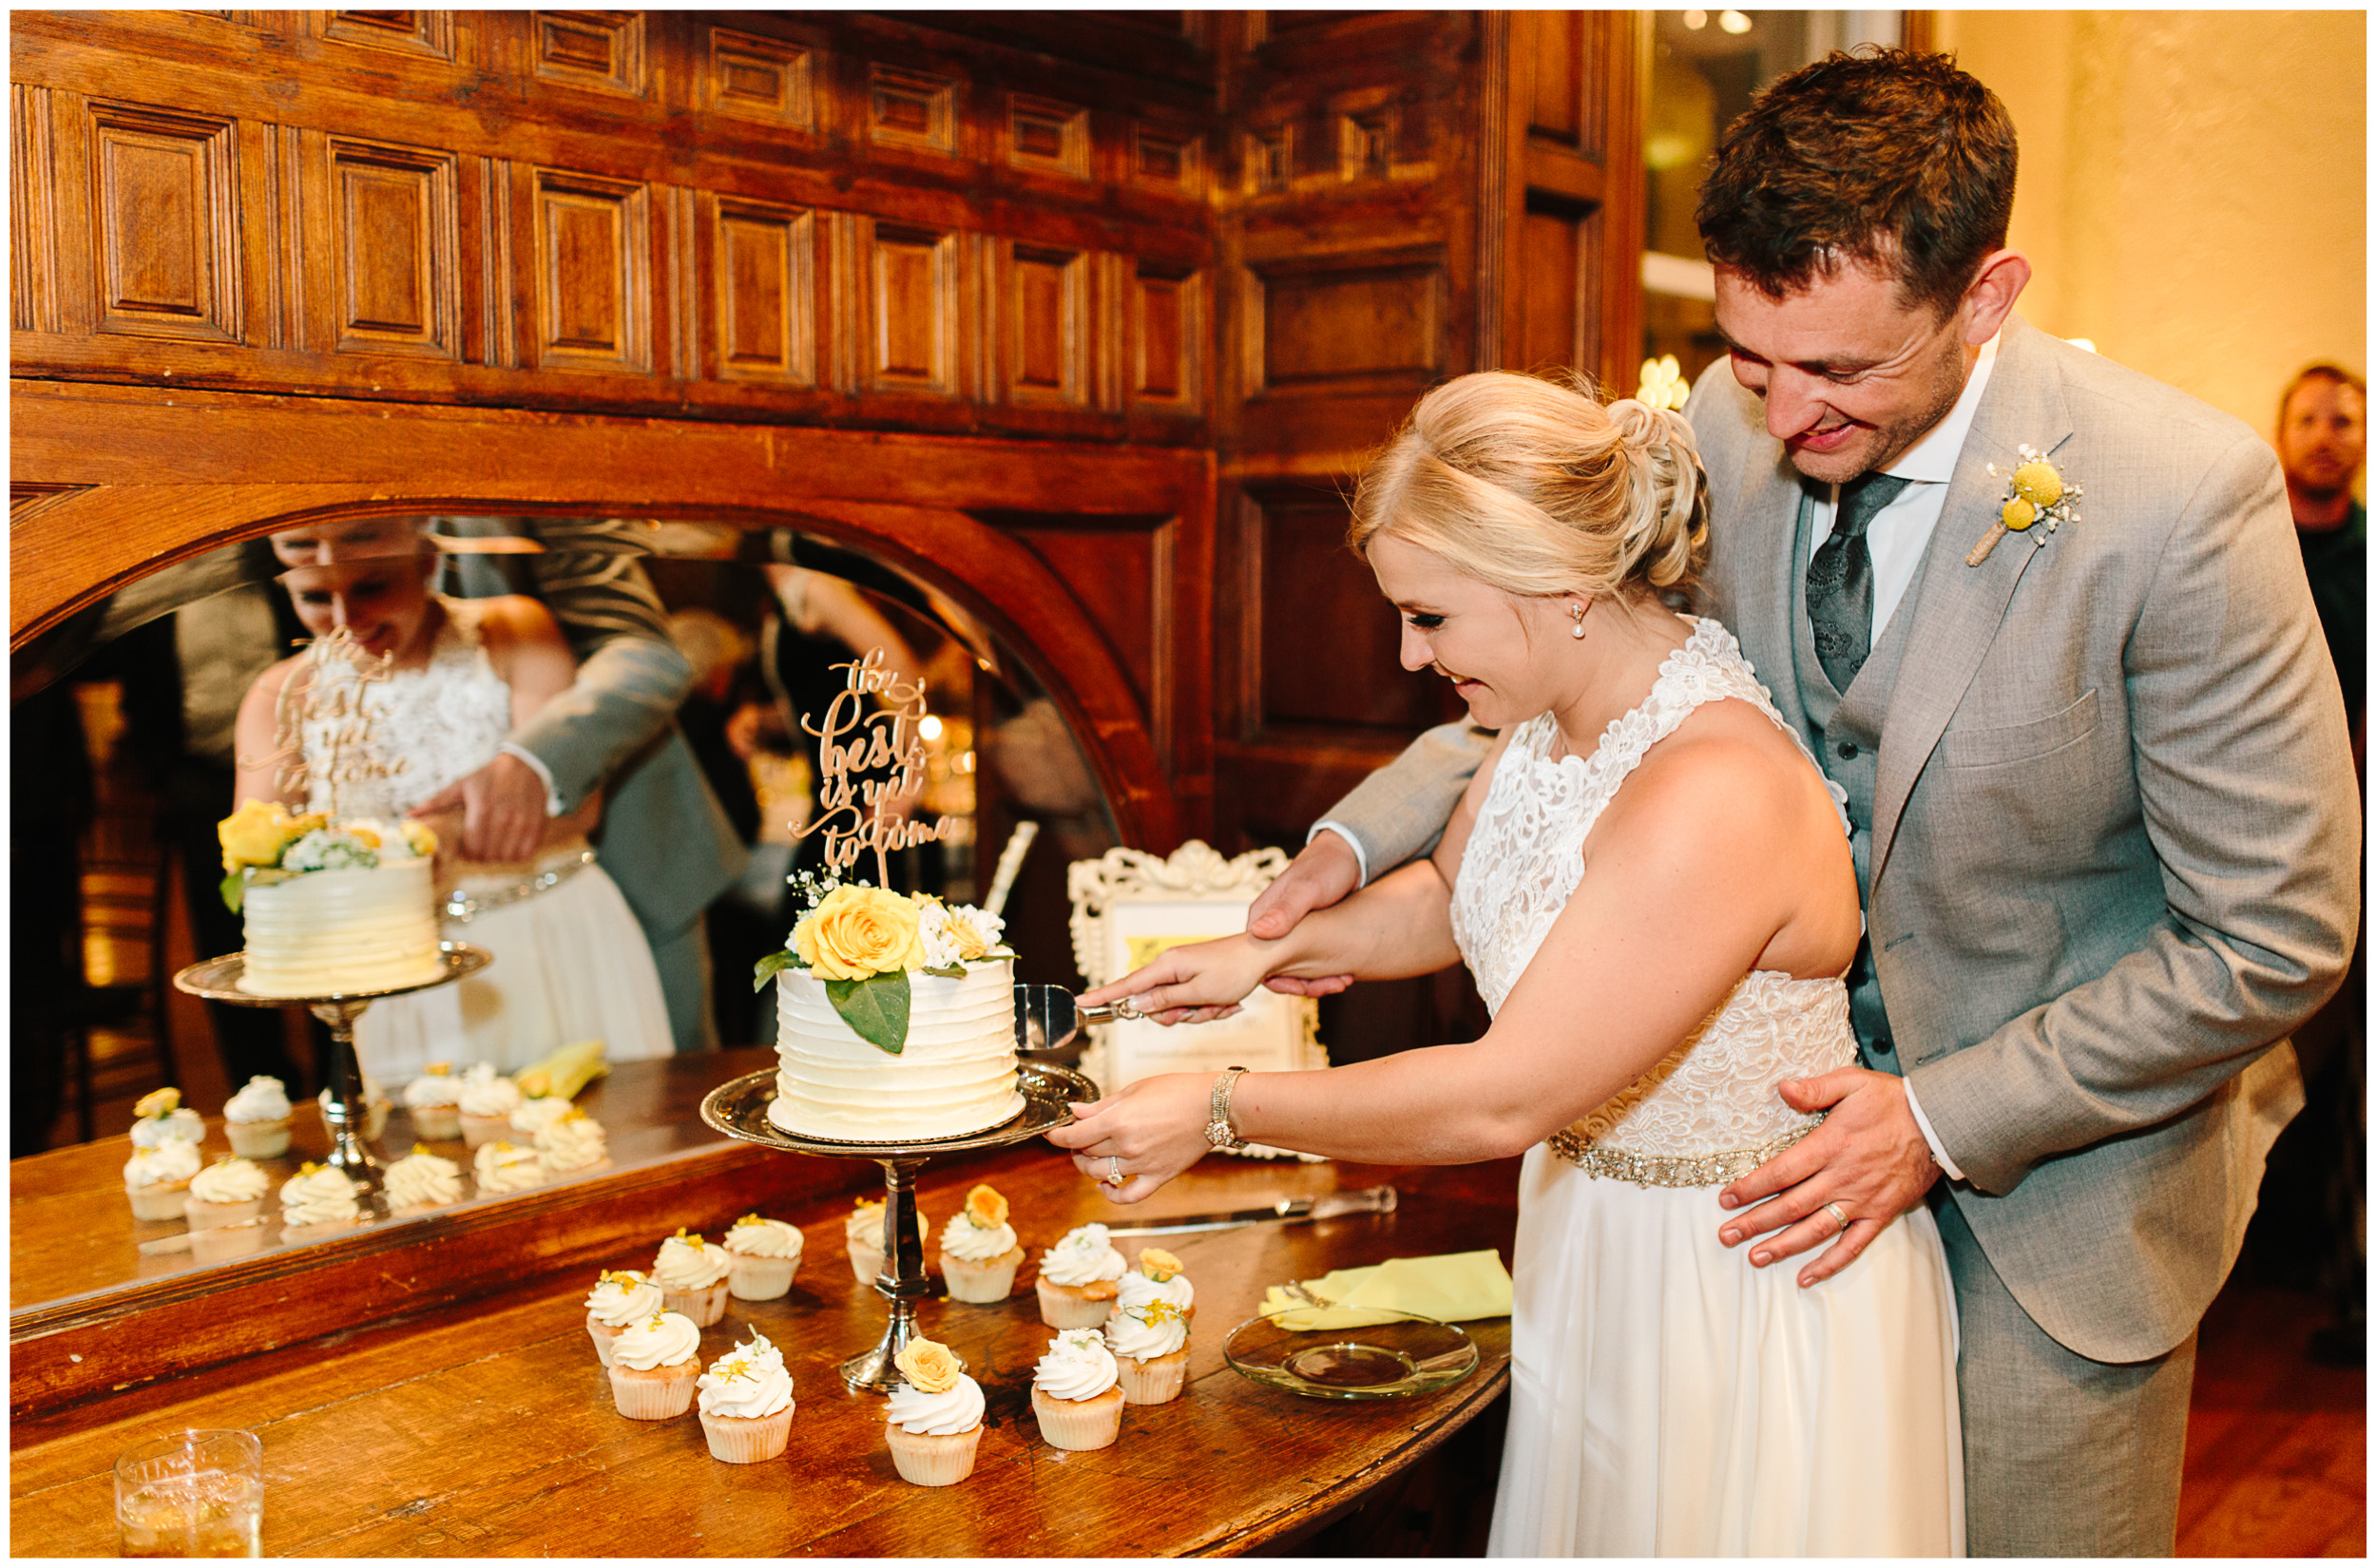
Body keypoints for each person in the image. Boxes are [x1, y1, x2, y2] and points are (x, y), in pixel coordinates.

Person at [1090, 50, 2361, 1558]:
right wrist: (1356, 837)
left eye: (1841, 369)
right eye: (1756, 360)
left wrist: (1942, 1119)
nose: (1789, 411)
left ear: (1988, 294)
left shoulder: (2177, 499)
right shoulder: (1727, 422)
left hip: (2049, 1206)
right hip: (1731, 1215)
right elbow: (1588, 670)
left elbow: (2276, 934)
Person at [1057, 374, 1965, 1554]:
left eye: (1430, 617)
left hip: (1732, 1278)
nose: (1405, 650)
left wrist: (1220, 1109)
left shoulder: (1711, 790)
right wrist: (1258, 951)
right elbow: (1463, 895)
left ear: (1561, 584)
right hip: (1591, 1233)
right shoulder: (1550, 719)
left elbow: (1507, 1091)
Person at [233, 522, 674, 1077]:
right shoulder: (279, 696)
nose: (346, 620)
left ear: (426, 560)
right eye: (315, 597)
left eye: (372, 588)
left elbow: (577, 805)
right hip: (400, 966)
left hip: (548, 934)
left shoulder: (511, 630)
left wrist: (445, 833)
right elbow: (262, 864)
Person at [422, 515, 749, 1056]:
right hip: (438, 923)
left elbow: (647, 657)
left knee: (659, 1106)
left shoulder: (545, 487)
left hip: (626, 856)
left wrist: (534, 758)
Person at [2270, 362, 2366, 1366]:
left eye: (2345, 420)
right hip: (2266, 837)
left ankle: (2354, 1288)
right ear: (2282, 431)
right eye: (2310, 419)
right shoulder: (2255, 546)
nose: (2328, 435)